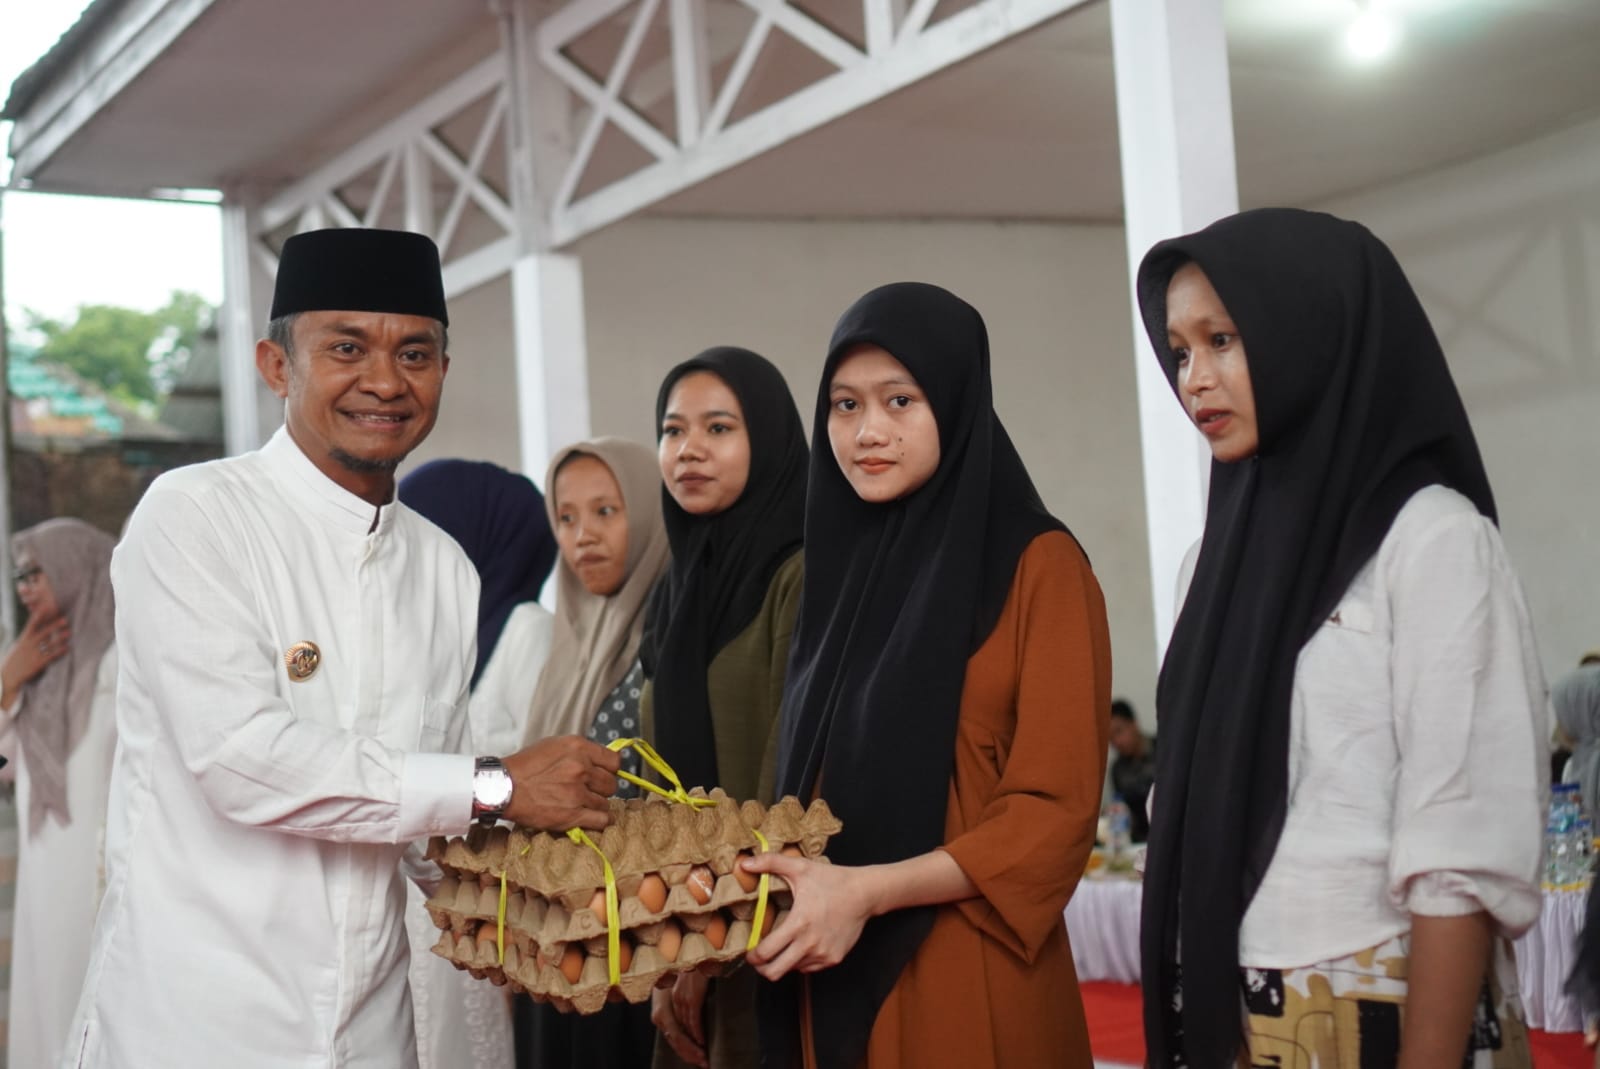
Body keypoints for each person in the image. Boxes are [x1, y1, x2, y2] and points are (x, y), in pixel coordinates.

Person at [65, 227, 621, 1068]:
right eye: (348, 347)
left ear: (443, 370)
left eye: (415, 353)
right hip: (197, 1022)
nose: (386, 381)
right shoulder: (196, 516)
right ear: (276, 365)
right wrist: (499, 784)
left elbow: (421, 823)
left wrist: (560, 906)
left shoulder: (443, 567)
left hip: (371, 1029)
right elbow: (241, 759)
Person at [1136, 208, 1546, 1069]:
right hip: (1229, 1007)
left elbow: (1461, 838)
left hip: (1387, 996)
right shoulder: (1209, 565)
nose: (1194, 379)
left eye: (1222, 340)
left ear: (1312, 334)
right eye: (1179, 351)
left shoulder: (1431, 541)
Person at [743, 282, 1112, 1069]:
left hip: (964, 964)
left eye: (900, 400)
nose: (867, 431)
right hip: (824, 960)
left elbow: (1053, 812)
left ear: (955, 399)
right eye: (845, 405)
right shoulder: (836, 574)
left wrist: (870, 891)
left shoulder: (1038, 565)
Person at [643, 347, 808, 1069]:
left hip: (771, 929)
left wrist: (712, 940)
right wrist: (664, 939)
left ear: (766, 440)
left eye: (718, 428)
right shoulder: (678, 590)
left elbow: (788, 773)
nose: (689, 450)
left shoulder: (799, 576)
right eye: (673, 430)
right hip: (680, 927)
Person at [396, 459, 561, 1069]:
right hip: (414, 893)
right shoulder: (422, 639)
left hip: (489, 898)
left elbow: (547, 780)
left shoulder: (527, 631)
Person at [516, 437, 671, 1069]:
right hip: (555, 939)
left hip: (642, 949)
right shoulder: (567, 645)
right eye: (567, 517)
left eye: (607, 511)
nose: (583, 536)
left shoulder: (670, 638)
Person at [0, 519, 116, 1067]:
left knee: (89, 999)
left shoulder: (118, 664)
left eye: (36, 573)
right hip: (45, 875)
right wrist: (8, 680)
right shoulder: (35, 667)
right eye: (20, 576)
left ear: (74, 569)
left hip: (99, 875)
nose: (25, 588)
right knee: (46, 999)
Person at [1107, 698, 1155, 843]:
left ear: (1134, 724)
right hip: (1136, 843)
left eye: (1119, 731)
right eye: (1110, 738)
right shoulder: (1117, 769)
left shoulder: (1163, 751)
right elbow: (1121, 809)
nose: (1117, 742)